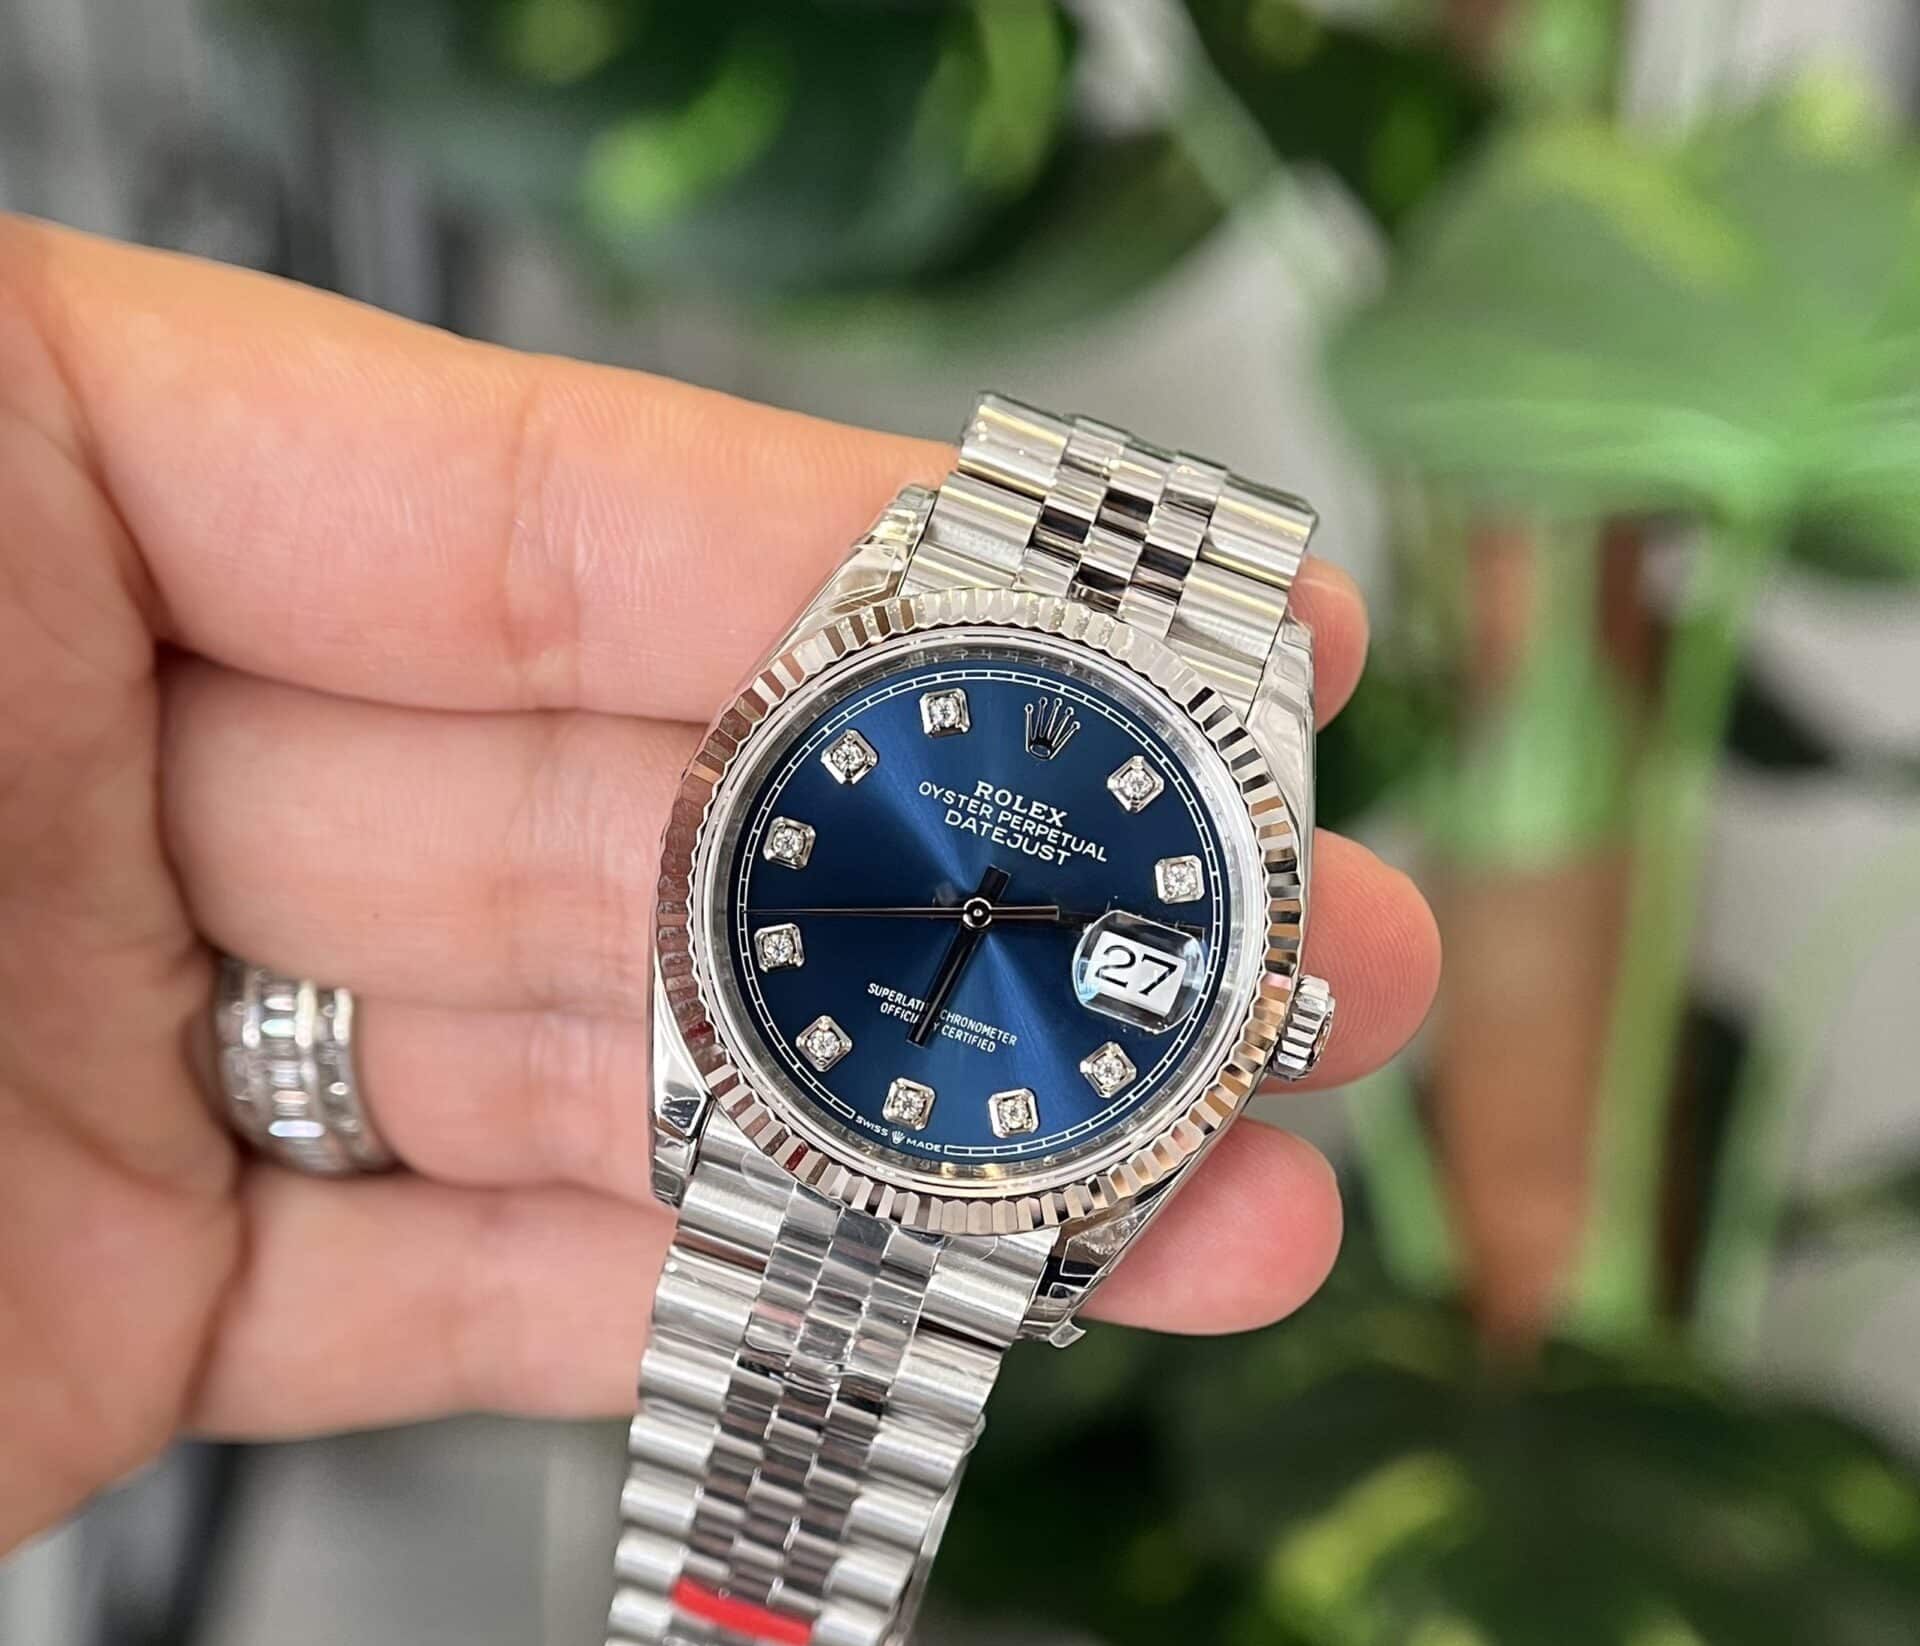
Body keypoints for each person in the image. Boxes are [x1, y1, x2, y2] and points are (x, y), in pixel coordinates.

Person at [0, 217, 1440, 1557]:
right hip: (812, 1102)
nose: (975, 905)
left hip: (919, 1131)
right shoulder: (823, 755)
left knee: (777, 1545)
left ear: (1273, 1015)